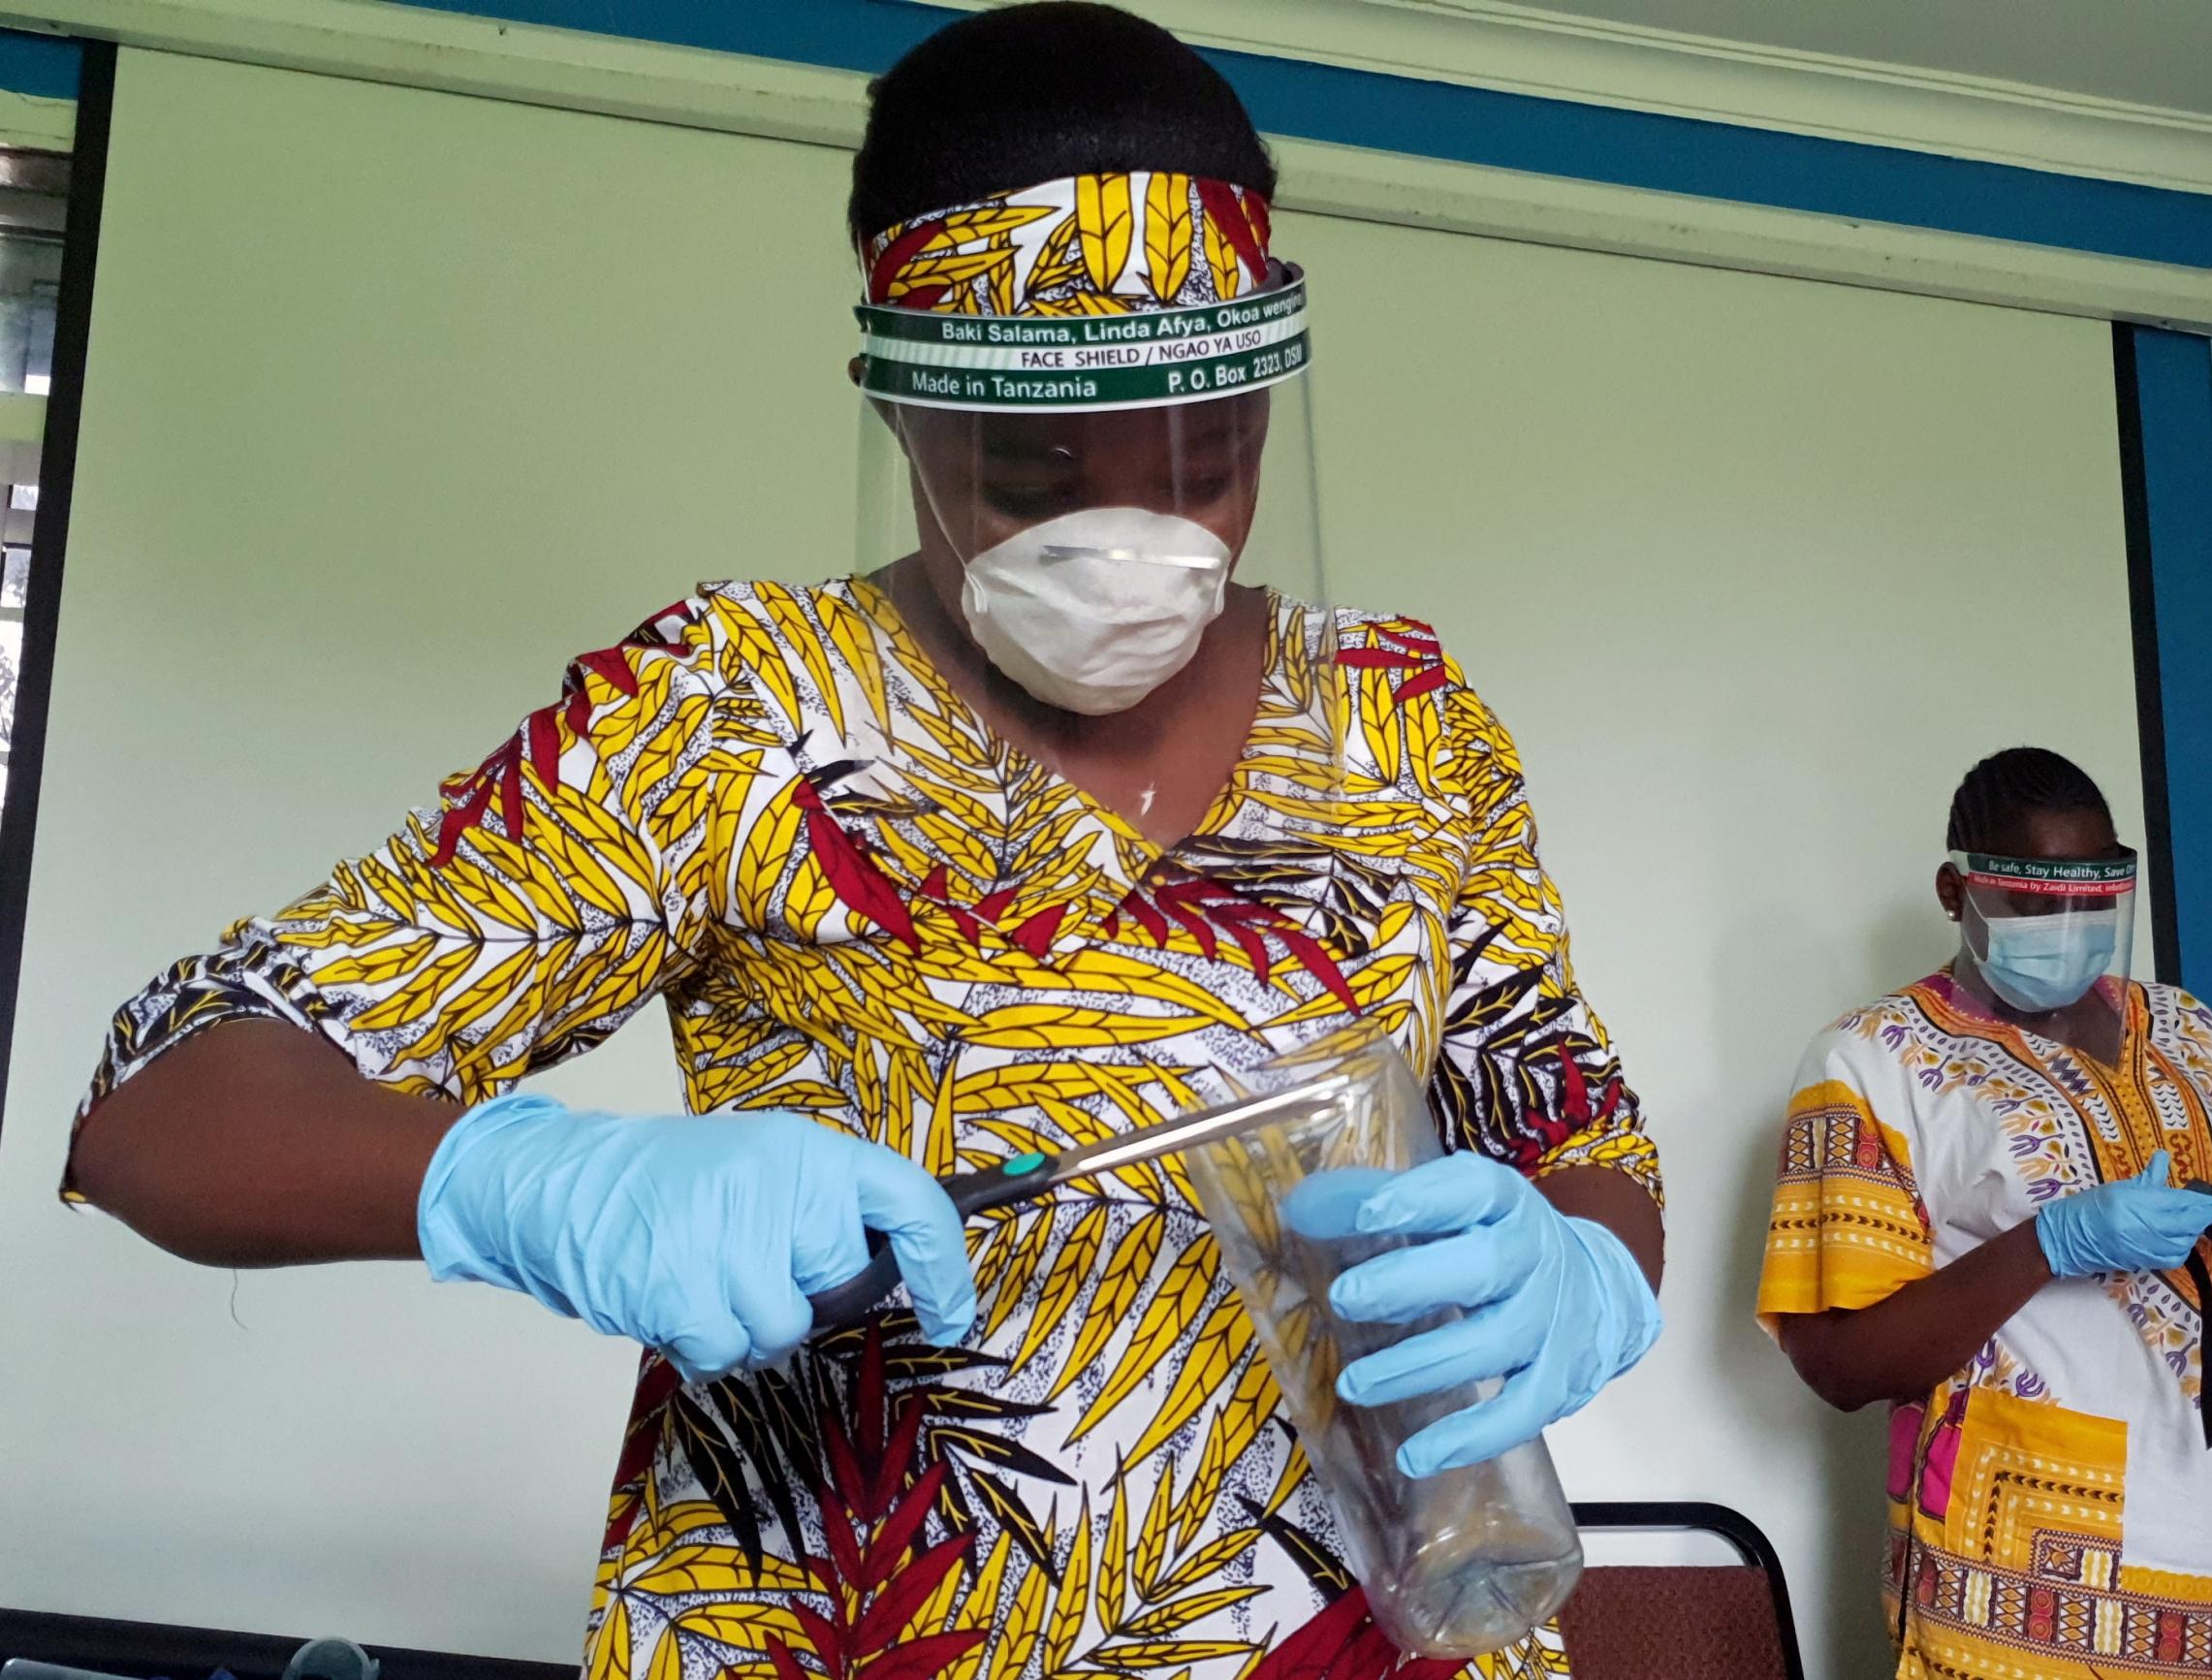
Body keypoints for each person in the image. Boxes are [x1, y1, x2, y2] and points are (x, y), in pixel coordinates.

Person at [62, 8, 1663, 1678]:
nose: (1135, 541)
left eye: (1208, 455)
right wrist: (522, 1184)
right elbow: (161, 1114)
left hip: (1385, 1632)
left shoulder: (1407, 718)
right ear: (897, 410)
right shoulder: (735, 708)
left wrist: (1587, 1271)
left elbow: (1578, 1127)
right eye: (1035, 467)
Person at [1755, 746, 2212, 1680]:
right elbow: (1840, 1361)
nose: (2067, 926)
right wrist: (2052, 1241)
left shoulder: (2194, 1036)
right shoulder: (1871, 1060)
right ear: (1953, 889)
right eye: (2033, 902)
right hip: (2034, 1591)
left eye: (2091, 901)